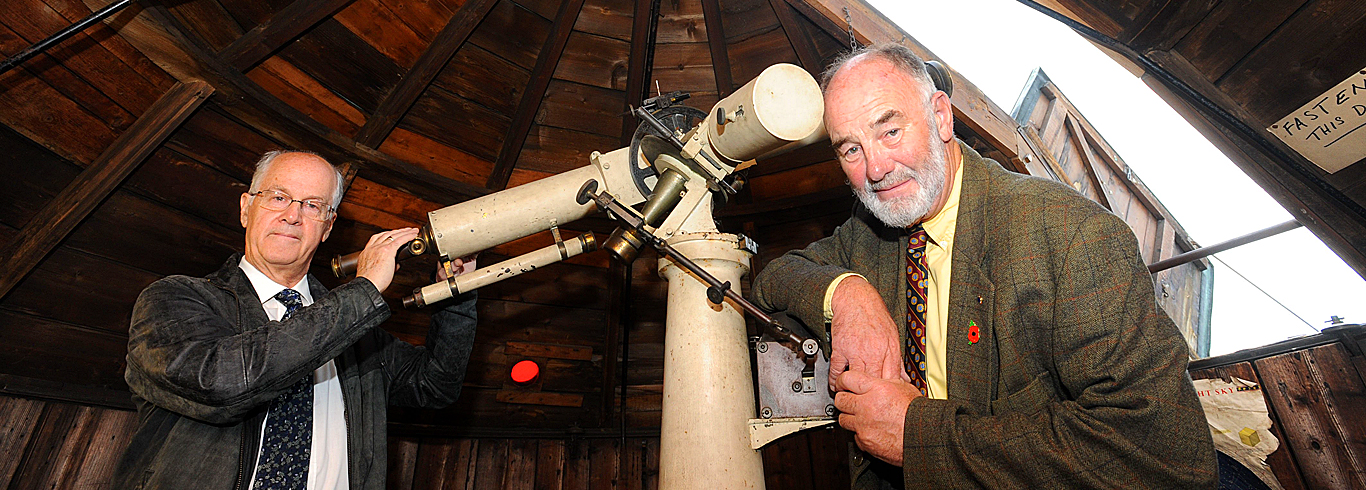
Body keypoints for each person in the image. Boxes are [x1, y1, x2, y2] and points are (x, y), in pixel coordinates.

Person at [752, 44, 1217, 488]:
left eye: (890, 131)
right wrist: (848, 294)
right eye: (850, 149)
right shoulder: (870, 229)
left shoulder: (1072, 235)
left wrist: (918, 437)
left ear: (940, 116)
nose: (875, 168)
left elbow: (1164, 458)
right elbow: (775, 276)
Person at [113, 150, 478, 489]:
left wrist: (455, 293)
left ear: (328, 227)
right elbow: (219, 383)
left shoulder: (356, 331)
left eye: (313, 205)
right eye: (278, 197)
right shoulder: (176, 298)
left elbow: (435, 385)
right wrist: (364, 289)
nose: (292, 215)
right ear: (245, 208)